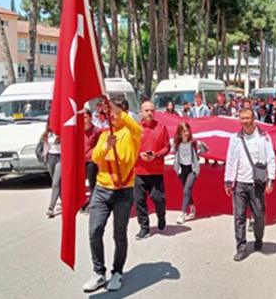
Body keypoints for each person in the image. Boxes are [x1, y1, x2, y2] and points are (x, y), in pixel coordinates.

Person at [84, 97, 142, 292]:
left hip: (123, 192)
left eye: (116, 112)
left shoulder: (132, 133)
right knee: (94, 231)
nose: (112, 116)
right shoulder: (105, 134)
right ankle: (98, 272)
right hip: (102, 189)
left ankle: (117, 272)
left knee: (119, 234)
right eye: (110, 113)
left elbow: (135, 127)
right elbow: (95, 157)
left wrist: (118, 110)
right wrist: (105, 146)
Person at [224, 108, 276, 261]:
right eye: (242, 118)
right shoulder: (235, 138)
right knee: (239, 217)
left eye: (248, 118)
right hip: (239, 183)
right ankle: (241, 247)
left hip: (257, 183)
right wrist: (228, 181)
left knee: (259, 215)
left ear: (254, 119)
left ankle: (258, 237)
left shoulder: (263, 137)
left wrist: (271, 179)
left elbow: (271, 158)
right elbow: (230, 159)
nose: (245, 121)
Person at [134, 100, 171, 240]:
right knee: (139, 201)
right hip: (139, 171)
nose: (149, 113)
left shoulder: (161, 127)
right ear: (141, 112)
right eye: (146, 110)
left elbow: (167, 147)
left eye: (151, 110)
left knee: (158, 198)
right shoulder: (136, 129)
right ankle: (144, 227)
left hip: (156, 171)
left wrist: (156, 155)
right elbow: (130, 147)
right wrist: (139, 155)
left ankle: (161, 216)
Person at [172, 122, 209, 225]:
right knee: (186, 190)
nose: (187, 133)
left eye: (188, 131)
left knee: (187, 189)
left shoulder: (194, 142)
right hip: (181, 169)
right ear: (180, 133)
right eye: (184, 131)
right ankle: (192, 207)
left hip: (192, 169)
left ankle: (183, 213)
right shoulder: (177, 143)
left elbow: (205, 149)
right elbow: (172, 152)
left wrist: (197, 154)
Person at [81, 109, 101, 213]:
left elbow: (101, 143)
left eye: (85, 117)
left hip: (91, 160)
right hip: (80, 161)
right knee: (80, 184)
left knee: (92, 182)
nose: (83, 120)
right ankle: (83, 203)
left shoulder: (95, 130)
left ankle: (92, 204)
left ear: (90, 118)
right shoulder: (78, 130)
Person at [42, 125, 61, 218]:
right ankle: (65, 202)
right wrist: (45, 156)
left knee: (55, 183)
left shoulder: (62, 132)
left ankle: (51, 207)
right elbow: (45, 145)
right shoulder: (48, 133)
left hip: (60, 158)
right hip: (51, 157)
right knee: (57, 183)